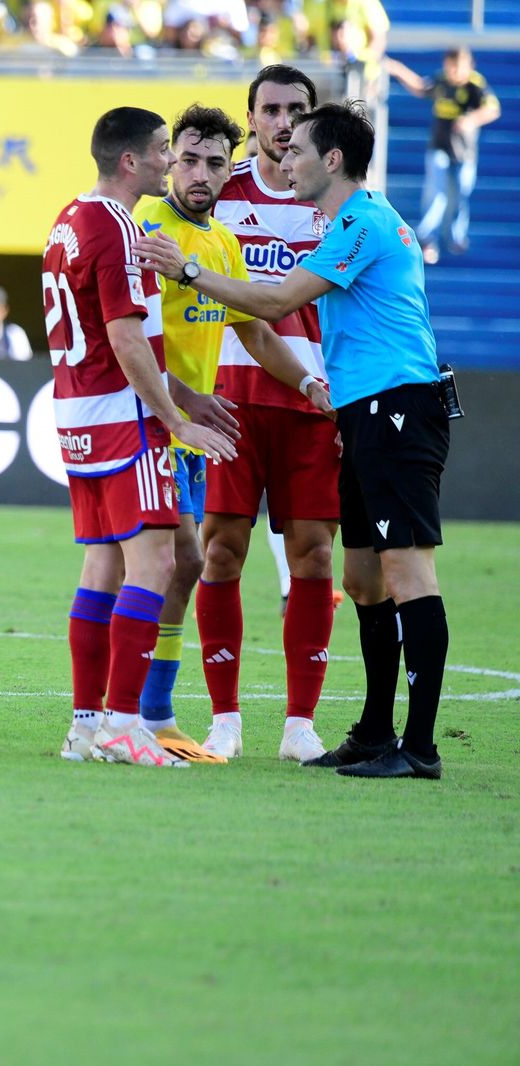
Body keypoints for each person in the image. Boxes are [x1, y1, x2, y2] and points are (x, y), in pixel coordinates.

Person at [137, 101, 452, 780]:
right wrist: (316, 388)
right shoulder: (351, 222)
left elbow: (277, 305)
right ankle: (373, 731)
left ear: (332, 160)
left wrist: (187, 272)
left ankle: (419, 747)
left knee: (406, 574)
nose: (286, 159)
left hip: (398, 407)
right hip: (361, 410)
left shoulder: (362, 222)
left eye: (299, 150)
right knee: (364, 580)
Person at [132, 103, 334, 762]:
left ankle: (142, 715)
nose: (199, 173)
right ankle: (137, 713)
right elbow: (124, 335)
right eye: (188, 159)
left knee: (179, 562)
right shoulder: (145, 228)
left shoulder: (219, 244)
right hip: (145, 421)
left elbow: (256, 333)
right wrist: (180, 401)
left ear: (232, 168)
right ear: (168, 160)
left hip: (190, 428)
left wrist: (306, 383)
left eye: (214, 163)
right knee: (163, 561)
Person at [44, 106, 239, 769]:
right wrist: (175, 420)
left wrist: (189, 398)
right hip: (126, 419)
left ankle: (86, 726)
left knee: (103, 564)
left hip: (78, 415)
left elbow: (114, 336)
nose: (170, 161)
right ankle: (126, 723)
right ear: (130, 160)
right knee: (152, 564)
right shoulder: (121, 229)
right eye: (162, 151)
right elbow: (127, 340)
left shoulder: (68, 220)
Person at [383, 47, 501, 264]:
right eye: (450, 66)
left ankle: (456, 237)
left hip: (464, 152)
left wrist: (471, 119)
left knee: (459, 194)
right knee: (437, 192)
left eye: (457, 67)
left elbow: (493, 109)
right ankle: (427, 238)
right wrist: (398, 70)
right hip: (439, 147)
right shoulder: (442, 81)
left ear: (468, 66)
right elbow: (421, 87)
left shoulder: (475, 85)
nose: (453, 72)